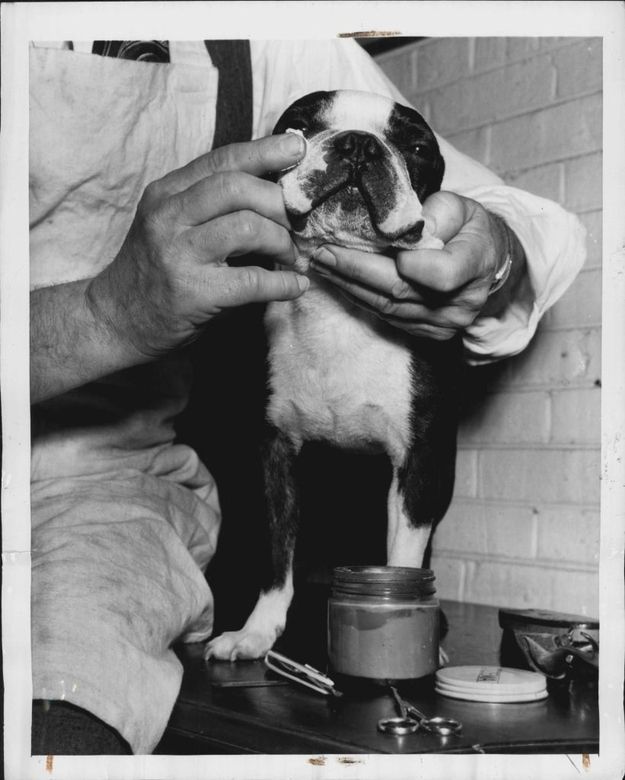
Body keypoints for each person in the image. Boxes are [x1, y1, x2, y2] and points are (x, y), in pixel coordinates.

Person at [29, 39, 586, 755]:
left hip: (92, 506)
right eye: (312, 136)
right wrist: (104, 313)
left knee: (65, 728)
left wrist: (497, 250)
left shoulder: (282, 41)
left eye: (390, 147)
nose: (353, 153)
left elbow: (534, 224)